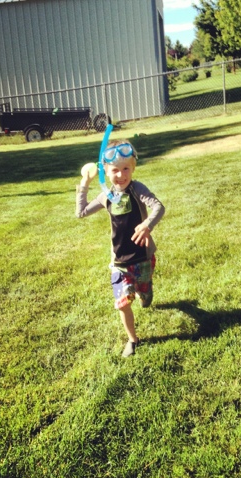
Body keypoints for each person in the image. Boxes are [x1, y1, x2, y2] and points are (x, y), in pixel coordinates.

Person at [76, 140, 165, 357]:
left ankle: (145, 293)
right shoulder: (107, 195)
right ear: (105, 172)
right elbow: (81, 212)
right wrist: (84, 183)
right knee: (122, 303)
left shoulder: (137, 189)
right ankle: (133, 340)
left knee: (145, 293)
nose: (121, 175)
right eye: (115, 170)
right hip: (118, 264)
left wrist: (147, 225)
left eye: (126, 169)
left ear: (133, 168)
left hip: (143, 258)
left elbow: (158, 207)